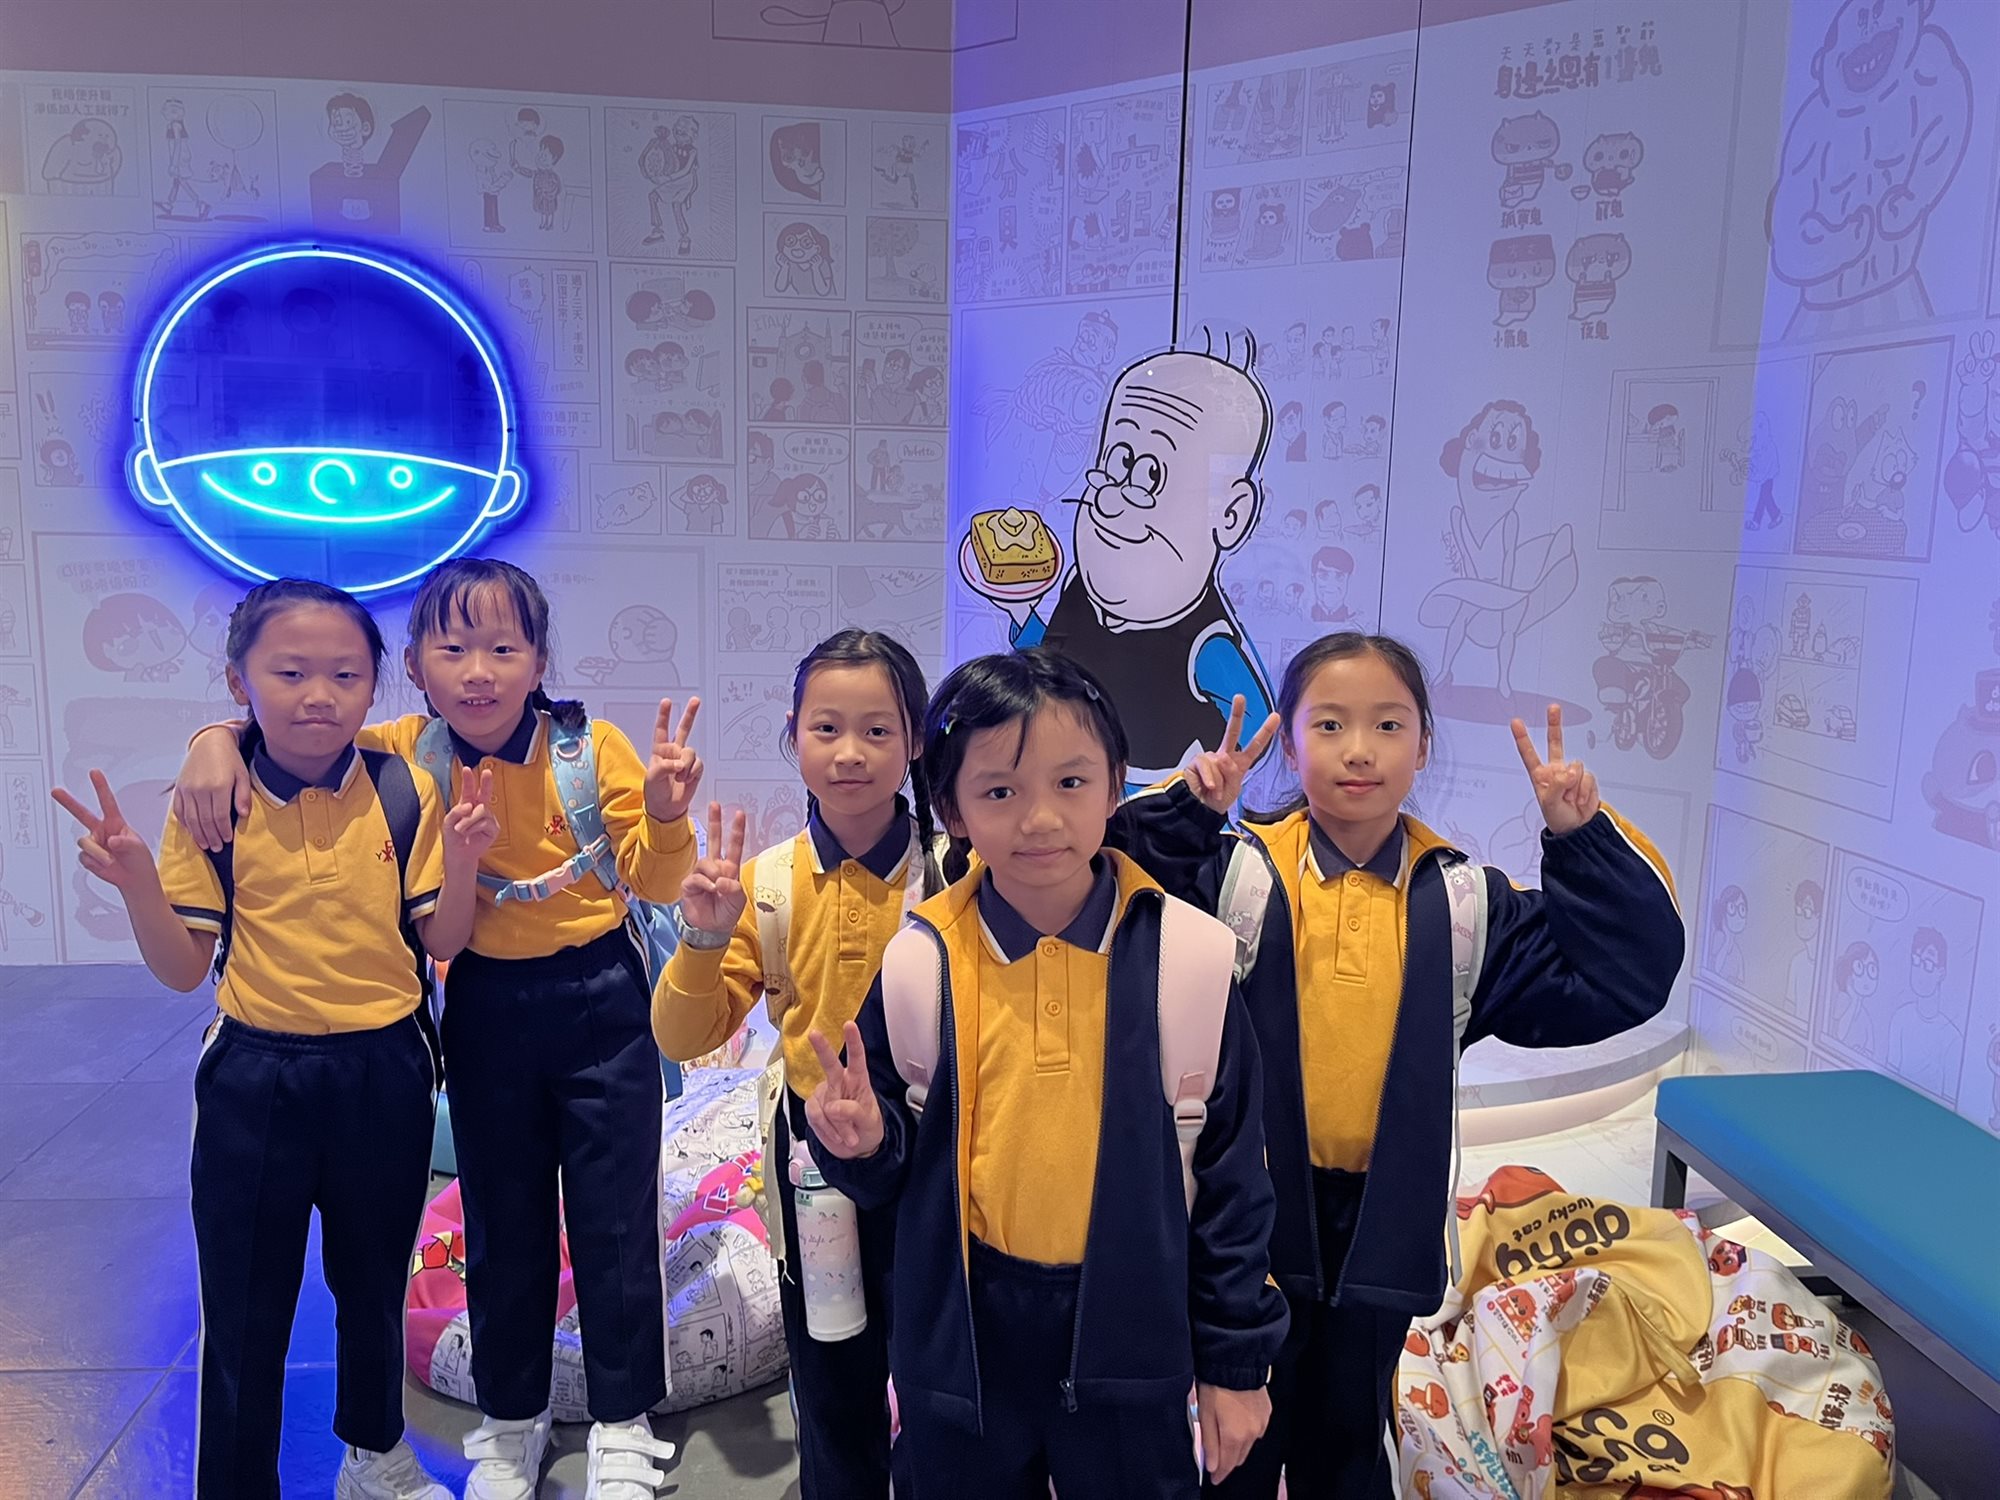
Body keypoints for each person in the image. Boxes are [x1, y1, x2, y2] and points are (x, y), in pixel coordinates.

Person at [171, 560, 701, 1500]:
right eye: (452, 649)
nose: (479, 672)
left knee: (616, 1211)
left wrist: (663, 816)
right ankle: (512, 1416)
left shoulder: (592, 749)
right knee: (501, 1214)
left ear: (539, 661)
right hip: (484, 1000)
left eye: (504, 648)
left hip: (600, 996)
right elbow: (287, 728)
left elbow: (656, 882)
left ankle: (624, 1420)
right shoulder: (403, 751)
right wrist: (211, 741)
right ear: (414, 666)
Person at [1124, 630, 1683, 1497]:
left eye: (1388, 725)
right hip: (1246, 1223)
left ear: (1423, 745)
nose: (1360, 751)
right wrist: (1190, 811)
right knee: (1235, 1444)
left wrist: (1579, 840)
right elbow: (1102, 887)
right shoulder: (1238, 875)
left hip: (1381, 1228)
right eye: (1330, 725)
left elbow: (1625, 975)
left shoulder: (1464, 903)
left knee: (1348, 1445)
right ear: (1290, 742)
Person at [805, 649, 1289, 1496]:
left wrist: (1235, 1365)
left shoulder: (1192, 960)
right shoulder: (922, 962)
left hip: (1135, 1336)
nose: (1039, 820)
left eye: (1070, 783)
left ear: (1115, 788)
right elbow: (892, 1178)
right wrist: (860, 1143)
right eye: (999, 791)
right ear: (952, 809)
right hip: (966, 1357)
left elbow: (1235, 1185)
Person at [56, 578, 489, 1499]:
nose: (318, 695)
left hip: (385, 1070)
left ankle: (375, 1456)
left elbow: (443, 940)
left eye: (346, 674)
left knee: (373, 1286)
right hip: (255, 1079)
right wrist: (137, 884)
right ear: (238, 680)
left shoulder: (404, 788)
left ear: (375, 686)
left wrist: (463, 865)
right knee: (245, 1308)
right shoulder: (210, 802)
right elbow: (183, 969)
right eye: (289, 673)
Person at [653, 630, 939, 1498]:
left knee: (941, 1365)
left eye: (878, 730)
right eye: (826, 728)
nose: (850, 753)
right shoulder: (769, 884)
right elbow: (681, 1034)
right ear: (794, 735)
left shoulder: (956, 871)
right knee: (831, 1364)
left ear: (915, 741)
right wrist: (704, 935)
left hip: (937, 1143)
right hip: (812, 1157)